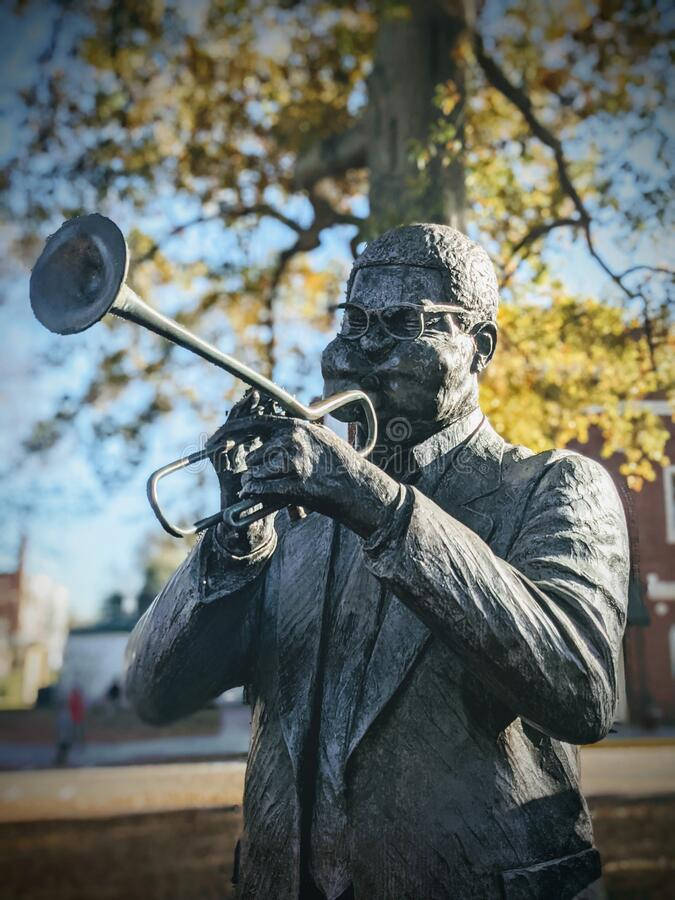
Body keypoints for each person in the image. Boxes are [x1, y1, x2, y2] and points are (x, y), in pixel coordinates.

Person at [125, 224, 629, 899]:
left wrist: (377, 505)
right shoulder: (290, 523)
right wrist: (234, 543)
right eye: (354, 320)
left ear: (479, 347)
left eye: (402, 322)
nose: (364, 346)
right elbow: (153, 694)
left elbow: (582, 689)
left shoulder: (553, 486)